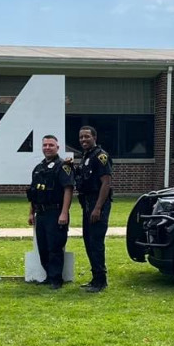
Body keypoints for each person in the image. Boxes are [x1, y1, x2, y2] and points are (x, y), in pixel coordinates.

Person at [26, 134, 74, 289]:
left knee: (55, 247)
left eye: (51, 145)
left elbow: (68, 189)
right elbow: (33, 193)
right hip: (41, 213)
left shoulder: (63, 166)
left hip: (56, 212)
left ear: (57, 147)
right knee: (43, 247)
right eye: (45, 145)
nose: (47, 148)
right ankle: (48, 275)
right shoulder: (39, 168)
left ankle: (56, 279)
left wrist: (64, 212)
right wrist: (31, 212)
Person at [74, 125, 113, 292]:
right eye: (81, 137)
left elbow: (106, 183)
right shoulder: (86, 157)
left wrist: (97, 208)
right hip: (87, 203)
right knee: (88, 241)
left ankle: (101, 280)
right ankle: (95, 277)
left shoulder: (101, 156)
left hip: (98, 203)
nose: (83, 139)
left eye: (87, 137)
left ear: (94, 137)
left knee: (96, 242)